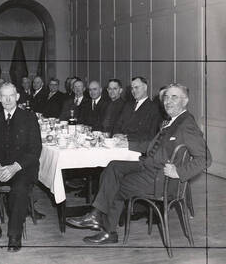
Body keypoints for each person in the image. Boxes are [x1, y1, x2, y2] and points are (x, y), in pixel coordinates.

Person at [66, 83, 212, 244]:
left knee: (118, 183)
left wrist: (179, 172)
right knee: (113, 166)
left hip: (161, 179)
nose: (168, 101)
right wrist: (126, 143)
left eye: (174, 97)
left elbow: (205, 158)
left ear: (185, 101)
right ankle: (96, 214)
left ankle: (109, 231)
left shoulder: (186, 124)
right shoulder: (173, 120)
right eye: (166, 97)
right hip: (148, 166)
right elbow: (153, 145)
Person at [0, 82, 42, 252]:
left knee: (19, 190)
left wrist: (14, 167)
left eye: (11, 95)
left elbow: (35, 150)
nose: (7, 99)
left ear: (17, 97)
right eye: (3, 96)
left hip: (22, 168)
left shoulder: (29, 118)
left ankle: (14, 235)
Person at [113, 76, 160, 153]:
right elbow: (118, 124)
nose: (133, 91)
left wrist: (126, 138)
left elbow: (150, 135)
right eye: (132, 88)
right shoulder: (128, 105)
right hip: (120, 145)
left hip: (136, 150)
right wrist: (117, 134)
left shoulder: (153, 108)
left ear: (145, 87)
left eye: (136, 87)